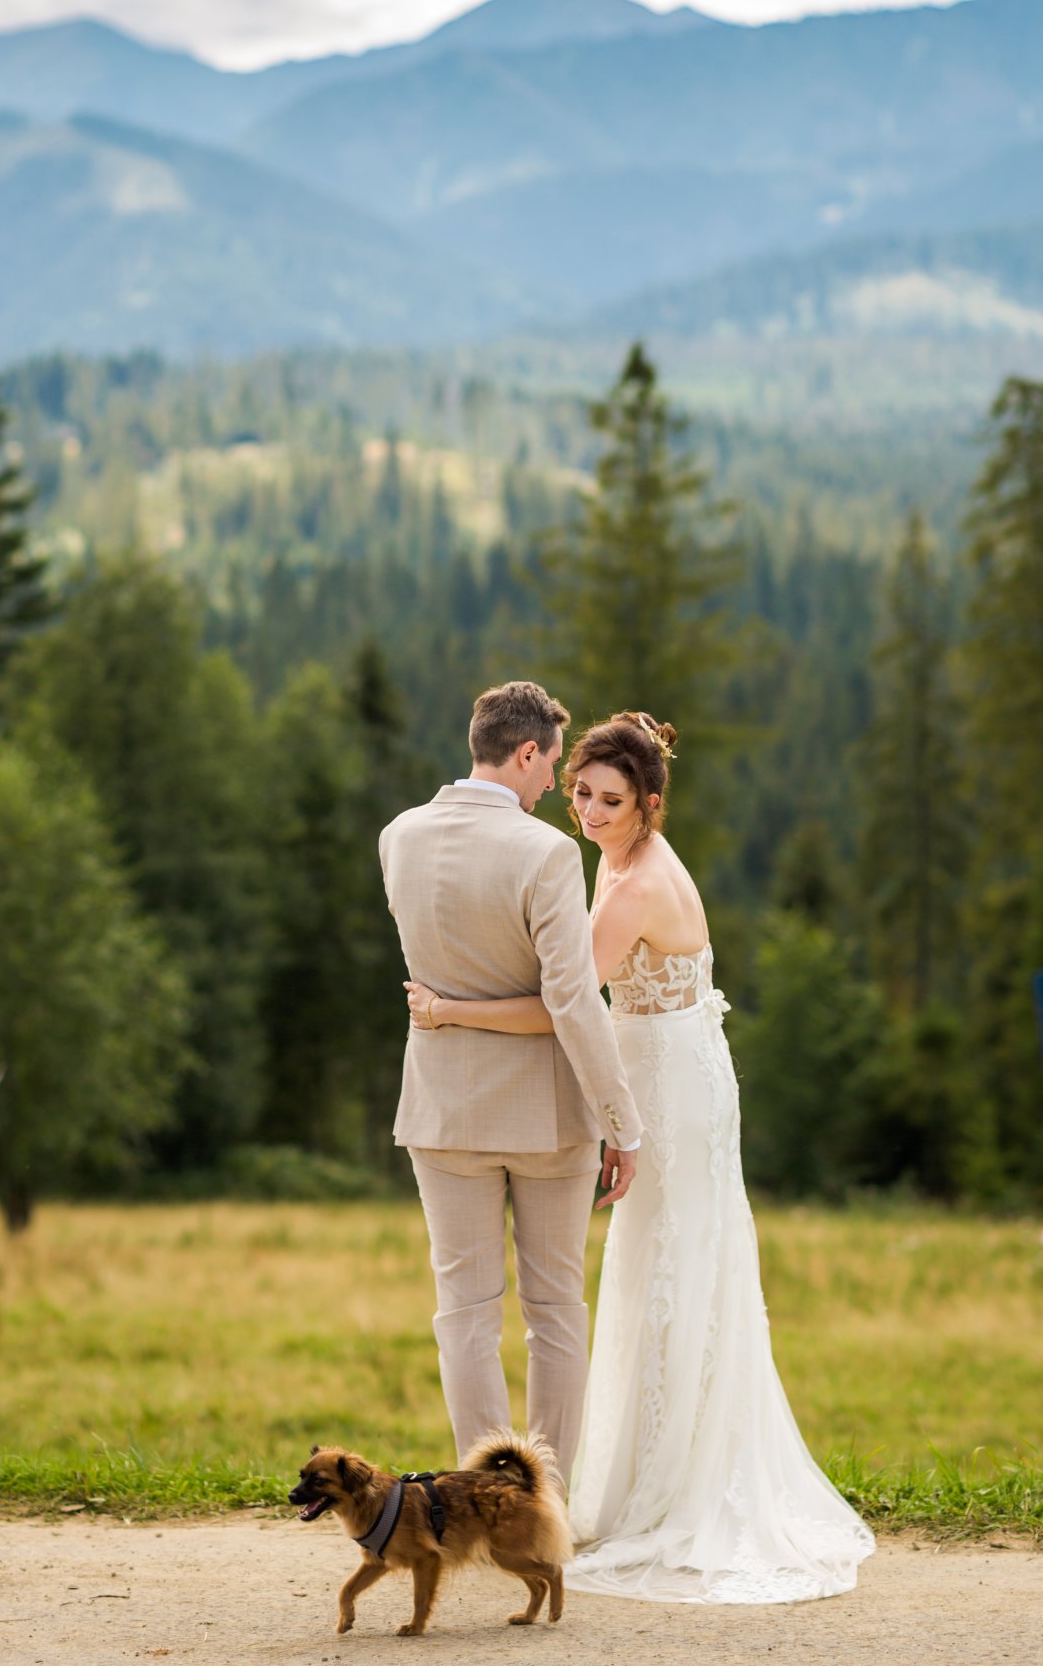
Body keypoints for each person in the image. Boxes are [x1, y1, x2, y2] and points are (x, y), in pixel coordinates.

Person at [404, 710, 875, 1604]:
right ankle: (635, 1475)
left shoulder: (629, 887)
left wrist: (451, 1009)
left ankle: (670, 1489)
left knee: (668, 1270)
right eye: (579, 791)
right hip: (671, 1067)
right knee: (652, 1272)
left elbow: (563, 1003)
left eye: (609, 800)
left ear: (649, 804)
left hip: (663, 1092)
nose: (586, 811)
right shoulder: (618, 861)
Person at [379, 680, 644, 1486]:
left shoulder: (399, 836)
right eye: (552, 767)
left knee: (462, 1310)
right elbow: (571, 997)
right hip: (546, 1118)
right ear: (526, 751)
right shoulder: (546, 853)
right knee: (555, 1309)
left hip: (442, 1110)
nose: (552, 788)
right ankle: (545, 1496)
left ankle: (487, 1498)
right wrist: (620, 1121)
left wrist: (447, 1010)